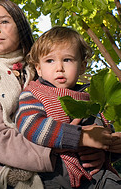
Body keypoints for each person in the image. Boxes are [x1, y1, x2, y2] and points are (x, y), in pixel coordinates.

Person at [0, 0, 111, 189]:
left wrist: (98, 149)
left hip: (41, 156)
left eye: (4, 22)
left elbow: (76, 120)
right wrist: (73, 142)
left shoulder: (43, 69)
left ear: (21, 26)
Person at [15, 26, 121, 188]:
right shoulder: (35, 93)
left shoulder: (91, 97)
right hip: (56, 175)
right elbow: (30, 125)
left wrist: (111, 147)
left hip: (97, 175)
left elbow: (103, 132)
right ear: (38, 68)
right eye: (50, 61)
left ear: (83, 66)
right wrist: (79, 138)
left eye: (67, 60)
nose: (59, 68)